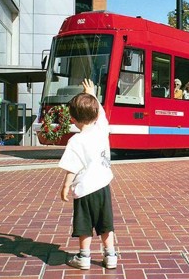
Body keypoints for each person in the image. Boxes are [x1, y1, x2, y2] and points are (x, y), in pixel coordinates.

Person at [59, 78, 117, 270]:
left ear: (73, 119)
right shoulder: (102, 131)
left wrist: (66, 186)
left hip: (84, 190)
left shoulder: (76, 141)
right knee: (105, 224)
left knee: (84, 225)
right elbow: (100, 115)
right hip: (103, 188)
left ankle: (84, 257)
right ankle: (110, 256)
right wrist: (92, 95)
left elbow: (72, 167)